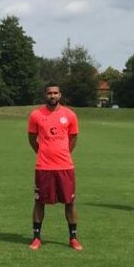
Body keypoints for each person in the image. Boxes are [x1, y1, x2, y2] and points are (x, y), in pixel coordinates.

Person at [27, 83, 82, 251]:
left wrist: (63, 153)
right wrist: (43, 152)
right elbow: (32, 138)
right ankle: (36, 237)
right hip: (44, 167)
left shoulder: (70, 115)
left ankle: (73, 238)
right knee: (39, 202)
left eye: (55, 93)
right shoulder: (36, 115)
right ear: (45, 95)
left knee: (70, 202)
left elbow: (73, 139)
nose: (52, 96)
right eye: (49, 93)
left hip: (65, 166)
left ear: (60, 95)